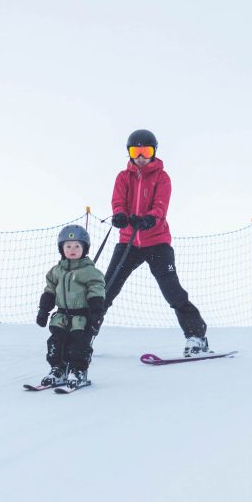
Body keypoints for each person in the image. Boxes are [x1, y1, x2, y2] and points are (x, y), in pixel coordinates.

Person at [104, 129, 209, 356]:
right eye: (136, 151)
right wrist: (120, 215)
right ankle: (84, 338)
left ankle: (196, 336)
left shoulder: (162, 177)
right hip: (128, 242)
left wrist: (151, 218)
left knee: (172, 291)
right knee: (106, 289)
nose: (141, 156)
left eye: (146, 151)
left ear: (154, 152)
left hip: (157, 241)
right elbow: (118, 201)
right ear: (129, 153)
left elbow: (161, 205)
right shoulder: (123, 177)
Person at [35, 225, 106, 389]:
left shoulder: (90, 272)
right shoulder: (55, 271)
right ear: (61, 248)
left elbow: (96, 290)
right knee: (55, 344)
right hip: (61, 317)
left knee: (79, 346)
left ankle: (78, 371)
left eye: (77, 246)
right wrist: (43, 310)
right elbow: (50, 291)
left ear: (84, 248)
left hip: (82, 318)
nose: (72, 249)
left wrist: (96, 312)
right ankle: (58, 370)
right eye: (68, 246)